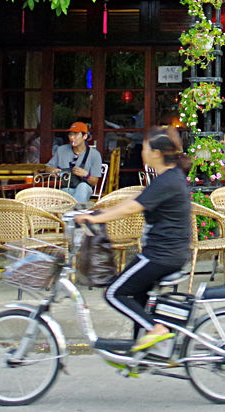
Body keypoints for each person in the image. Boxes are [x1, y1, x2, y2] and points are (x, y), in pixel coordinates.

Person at [76, 126, 192, 355]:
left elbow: (131, 208)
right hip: (169, 253)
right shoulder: (168, 177)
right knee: (138, 296)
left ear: (156, 153)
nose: (142, 151)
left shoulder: (167, 180)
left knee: (114, 292)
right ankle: (140, 355)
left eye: (146, 147)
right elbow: (135, 199)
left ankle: (155, 330)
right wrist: (98, 213)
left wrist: (93, 218)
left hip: (161, 255)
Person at [50, 122, 103, 204]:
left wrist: (86, 175)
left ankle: (73, 213)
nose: (72, 137)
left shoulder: (95, 154)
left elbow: (94, 181)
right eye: (70, 134)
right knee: (60, 193)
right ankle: (76, 212)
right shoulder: (61, 150)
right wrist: (53, 170)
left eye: (75, 134)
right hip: (65, 189)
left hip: (84, 189)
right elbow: (48, 167)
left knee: (83, 186)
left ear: (84, 136)